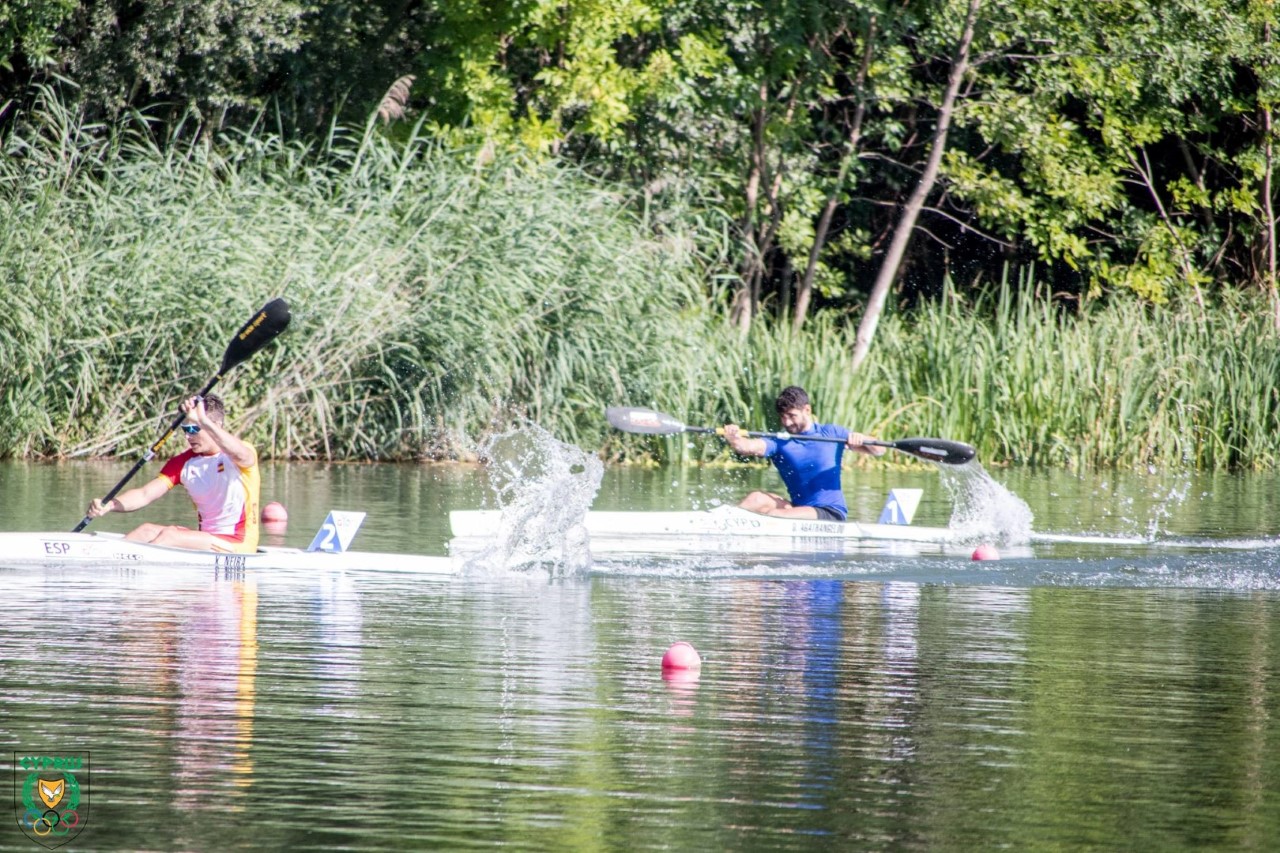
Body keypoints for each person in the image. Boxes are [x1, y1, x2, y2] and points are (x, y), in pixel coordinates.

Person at [86, 394, 261, 553]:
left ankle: (134, 564)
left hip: (238, 544)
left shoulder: (239, 454)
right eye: (185, 429)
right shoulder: (182, 463)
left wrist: (204, 421)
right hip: (206, 540)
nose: (187, 436)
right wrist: (108, 505)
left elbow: (242, 455)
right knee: (145, 530)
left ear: (215, 426)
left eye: (193, 429)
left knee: (170, 536)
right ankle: (105, 559)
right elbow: (144, 494)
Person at [722, 385, 884, 521]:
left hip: (829, 512)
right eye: (783, 417)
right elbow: (747, 447)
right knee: (756, 498)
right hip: (798, 509)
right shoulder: (780, 442)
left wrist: (862, 438)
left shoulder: (831, 434)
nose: (787, 422)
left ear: (807, 410)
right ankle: (724, 522)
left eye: (792, 416)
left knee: (774, 515)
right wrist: (734, 438)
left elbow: (879, 450)